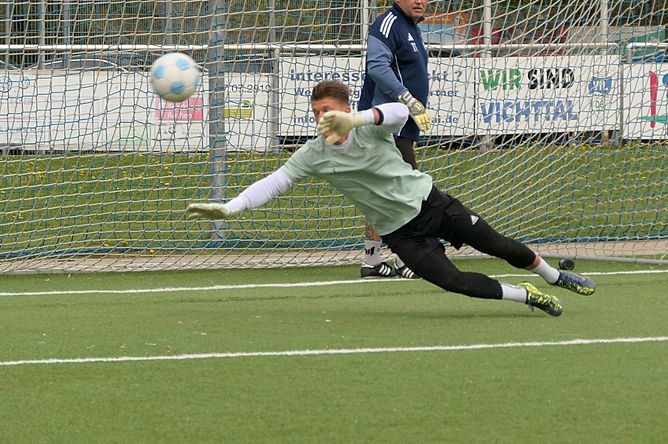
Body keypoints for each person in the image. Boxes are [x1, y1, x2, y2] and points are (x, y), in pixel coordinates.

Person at [186, 80, 596, 316]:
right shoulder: (313, 153)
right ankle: (527, 295)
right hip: (401, 234)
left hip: (431, 204)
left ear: (345, 109)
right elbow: (275, 182)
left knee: (500, 246)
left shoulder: (369, 125)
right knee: (453, 282)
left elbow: (401, 113)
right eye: (316, 112)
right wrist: (230, 207)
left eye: (328, 110)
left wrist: (355, 119)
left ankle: (555, 276)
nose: (321, 118)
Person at [356, 0, 433, 279]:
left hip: (401, 128)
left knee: (386, 192)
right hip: (388, 127)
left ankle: (372, 260)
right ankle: (405, 258)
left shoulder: (411, 28)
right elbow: (376, 66)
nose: (419, 0)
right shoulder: (388, 23)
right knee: (408, 191)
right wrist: (408, 99)